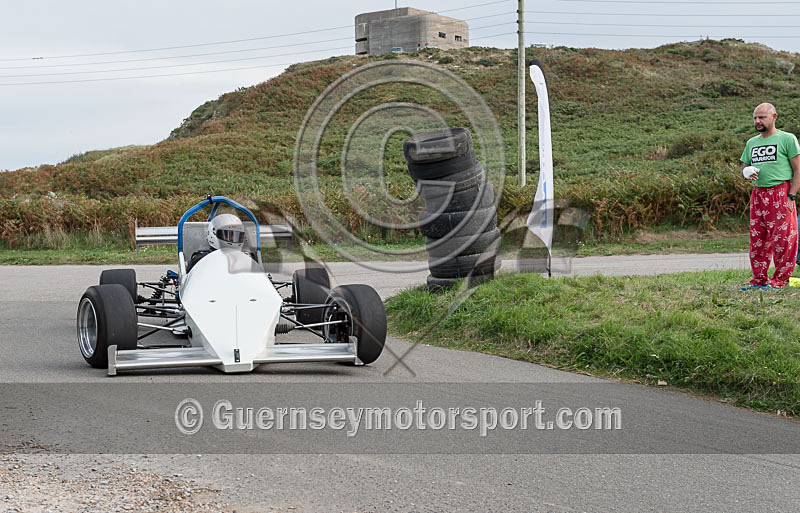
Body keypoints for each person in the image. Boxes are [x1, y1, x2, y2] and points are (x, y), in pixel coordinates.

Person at [740, 103, 800, 289]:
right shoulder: (751, 142)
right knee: (758, 239)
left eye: (762, 117)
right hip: (758, 193)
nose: (757, 121)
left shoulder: (787, 139)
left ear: (774, 117)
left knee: (784, 239)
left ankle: (780, 280)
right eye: (755, 118)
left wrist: (792, 195)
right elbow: (745, 167)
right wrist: (746, 172)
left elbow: (798, 170)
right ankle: (759, 280)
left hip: (781, 192)